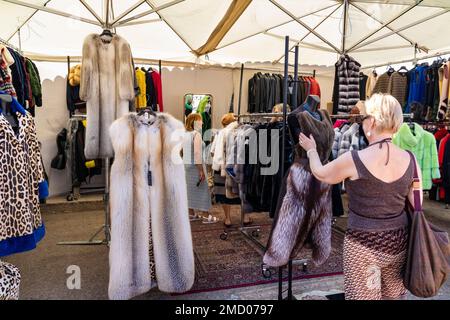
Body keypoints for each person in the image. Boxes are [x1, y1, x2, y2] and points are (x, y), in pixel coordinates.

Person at [298, 93, 422, 300]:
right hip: (399, 241)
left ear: (372, 121)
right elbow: (417, 204)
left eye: (363, 118)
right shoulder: (410, 159)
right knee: (393, 296)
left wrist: (311, 151)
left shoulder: (354, 159)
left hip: (363, 244)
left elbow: (321, 173)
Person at [211, 113, 252, 227]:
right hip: (240, 167)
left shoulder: (220, 133)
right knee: (242, 192)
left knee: (224, 194)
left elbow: (214, 151)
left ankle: (228, 219)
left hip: (223, 168)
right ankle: (245, 217)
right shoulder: (244, 131)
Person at [183, 113, 217, 223]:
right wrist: (201, 170)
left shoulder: (185, 134)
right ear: (195, 122)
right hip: (195, 166)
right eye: (200, 120)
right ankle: (206, 216)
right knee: (203, 190)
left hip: (187, 166)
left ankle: (191, 214)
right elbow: (197, 153)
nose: (202, 123)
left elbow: (182, 151)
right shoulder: (196, 134)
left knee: (189, 190)